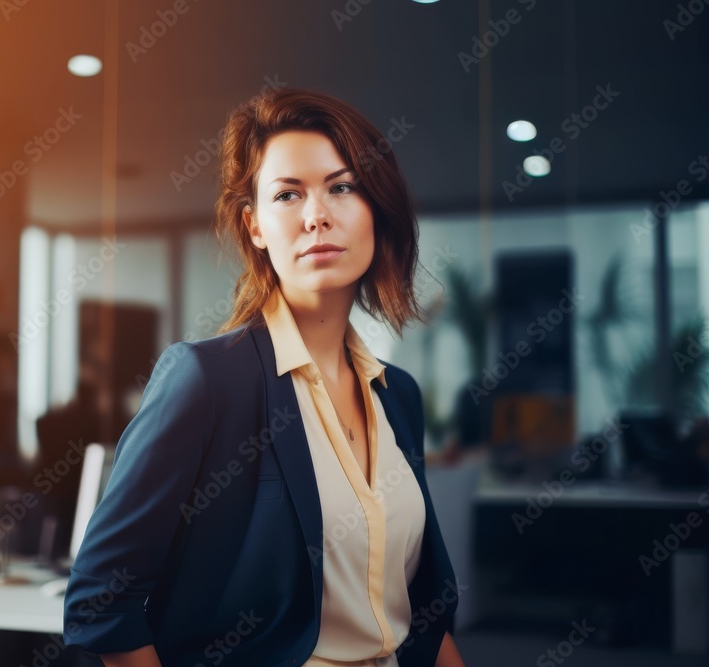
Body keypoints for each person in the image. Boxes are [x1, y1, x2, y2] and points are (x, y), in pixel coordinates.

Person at [63, 88, 466, 667]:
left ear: (377, 207)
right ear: (254, 226)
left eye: (343, 186)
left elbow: (420, 614)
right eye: (288, 194)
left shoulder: (396, 393)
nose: (317, 214)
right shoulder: (206, 380)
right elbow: (100, 600)